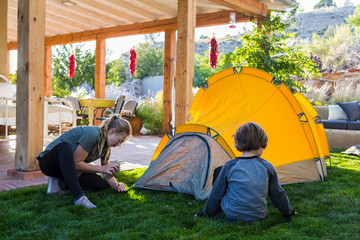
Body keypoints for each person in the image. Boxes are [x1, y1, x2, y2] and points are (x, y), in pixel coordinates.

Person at [196, 122, 296, 222]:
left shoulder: (230, 166)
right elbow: (278, 194)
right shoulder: (267, 166)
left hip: (232, 214)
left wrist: (205, 213)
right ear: (261, 144)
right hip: (259, 216)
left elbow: (216, 194)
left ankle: (214, 213)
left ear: (238, 142)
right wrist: (289, 212)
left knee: (219, 171)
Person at [37, 115, 131, 209]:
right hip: (49, 163)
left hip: (67, 169)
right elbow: (76, 163)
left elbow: (107, 171)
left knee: (102, 185)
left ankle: (59, 182)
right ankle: (79, 198)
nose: (118, 144)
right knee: (65, 147)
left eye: (121, 143)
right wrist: (102, 169)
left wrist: (116, 185)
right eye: (119, 140)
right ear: (112, 131)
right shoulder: (93, 135)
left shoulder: (106, 147)